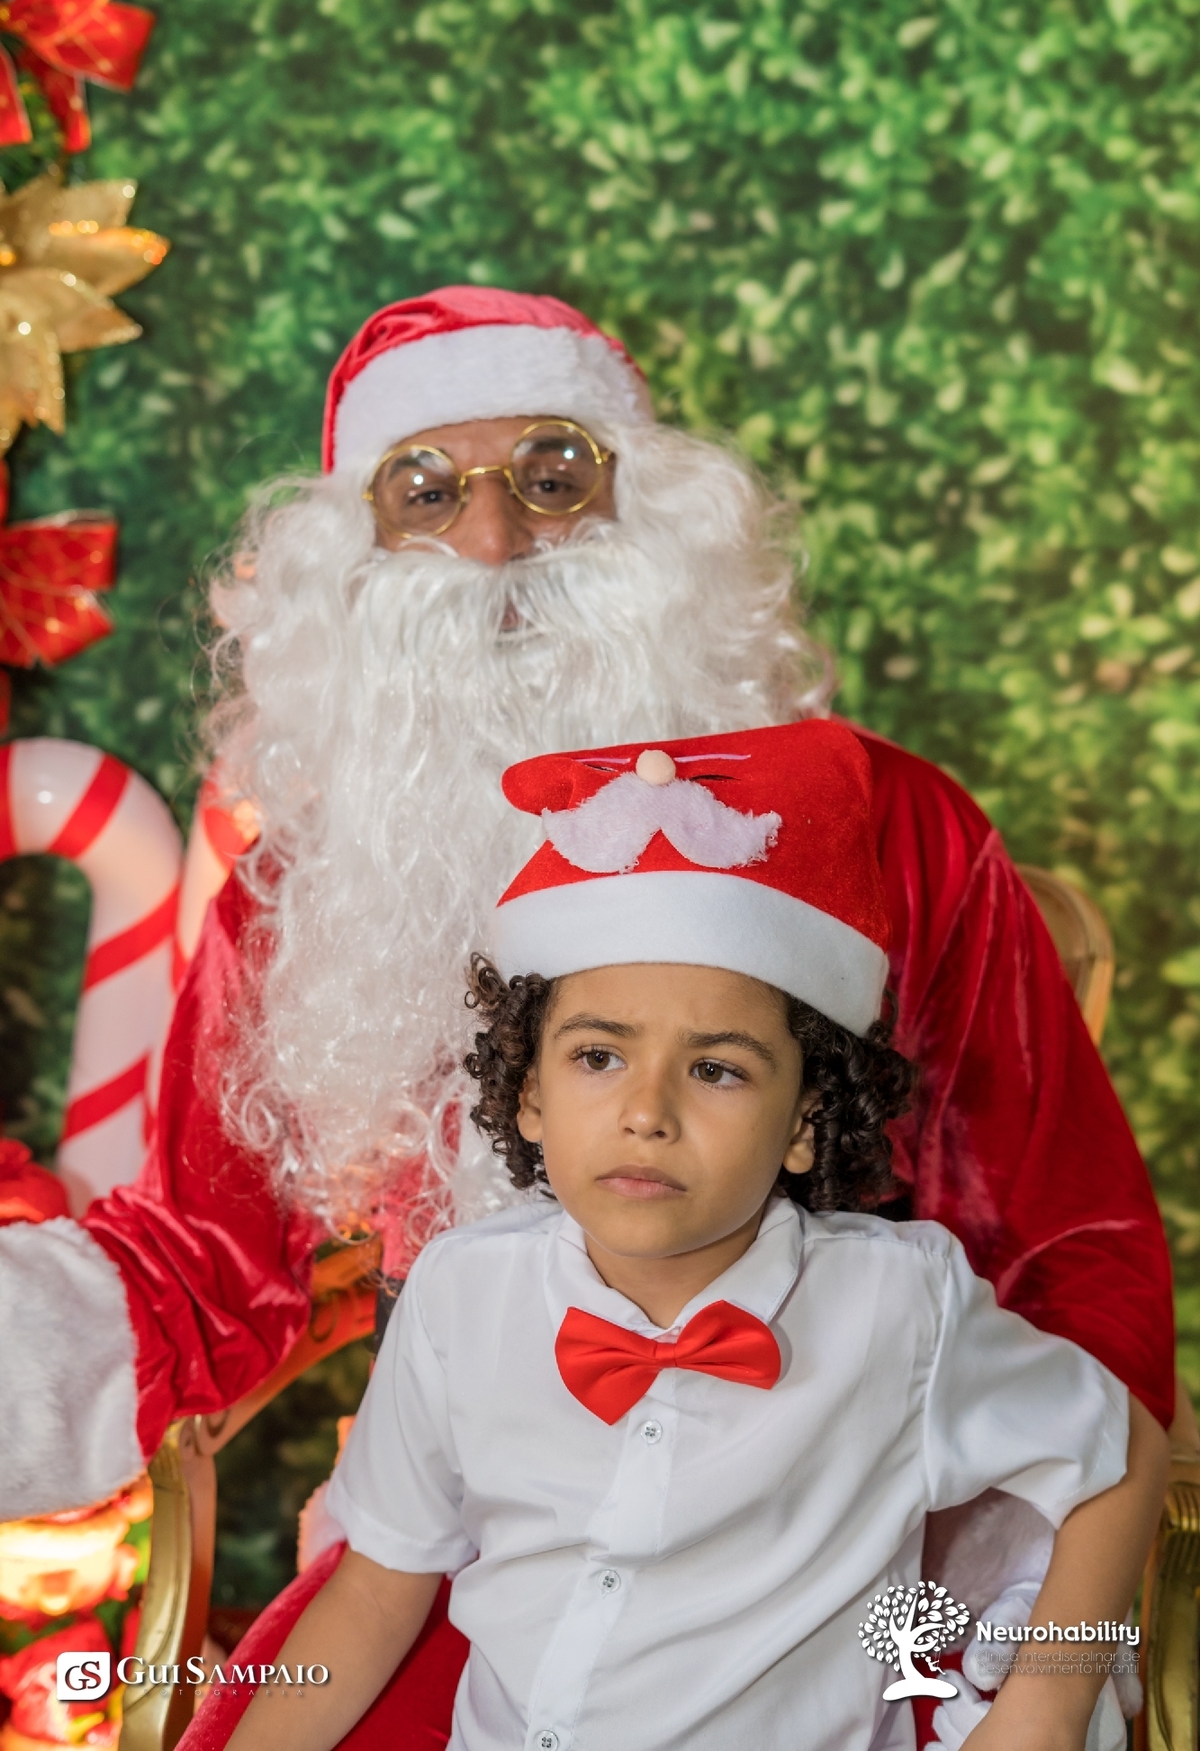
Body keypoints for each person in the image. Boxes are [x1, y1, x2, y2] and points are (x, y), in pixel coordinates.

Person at [0, 289, 1177, 1748]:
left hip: (860, 1548)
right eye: (426, 491)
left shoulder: (889, 829)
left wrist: (1030, 1670)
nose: (497, 541)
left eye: (555, 475)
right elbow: (205, 1260)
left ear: (658, 512)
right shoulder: (316, 882)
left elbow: (1074, 1267)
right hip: (473, 1550)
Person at [224, 722, 1169, 1751]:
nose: (648, 1112)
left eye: (717, 1069)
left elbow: (1123, 1458)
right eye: (598, 1057)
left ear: (804, 1121)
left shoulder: (903, 1308)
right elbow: (376, 1588)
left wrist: (1043, 1708)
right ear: (530, 1093)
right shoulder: (461, 1296)